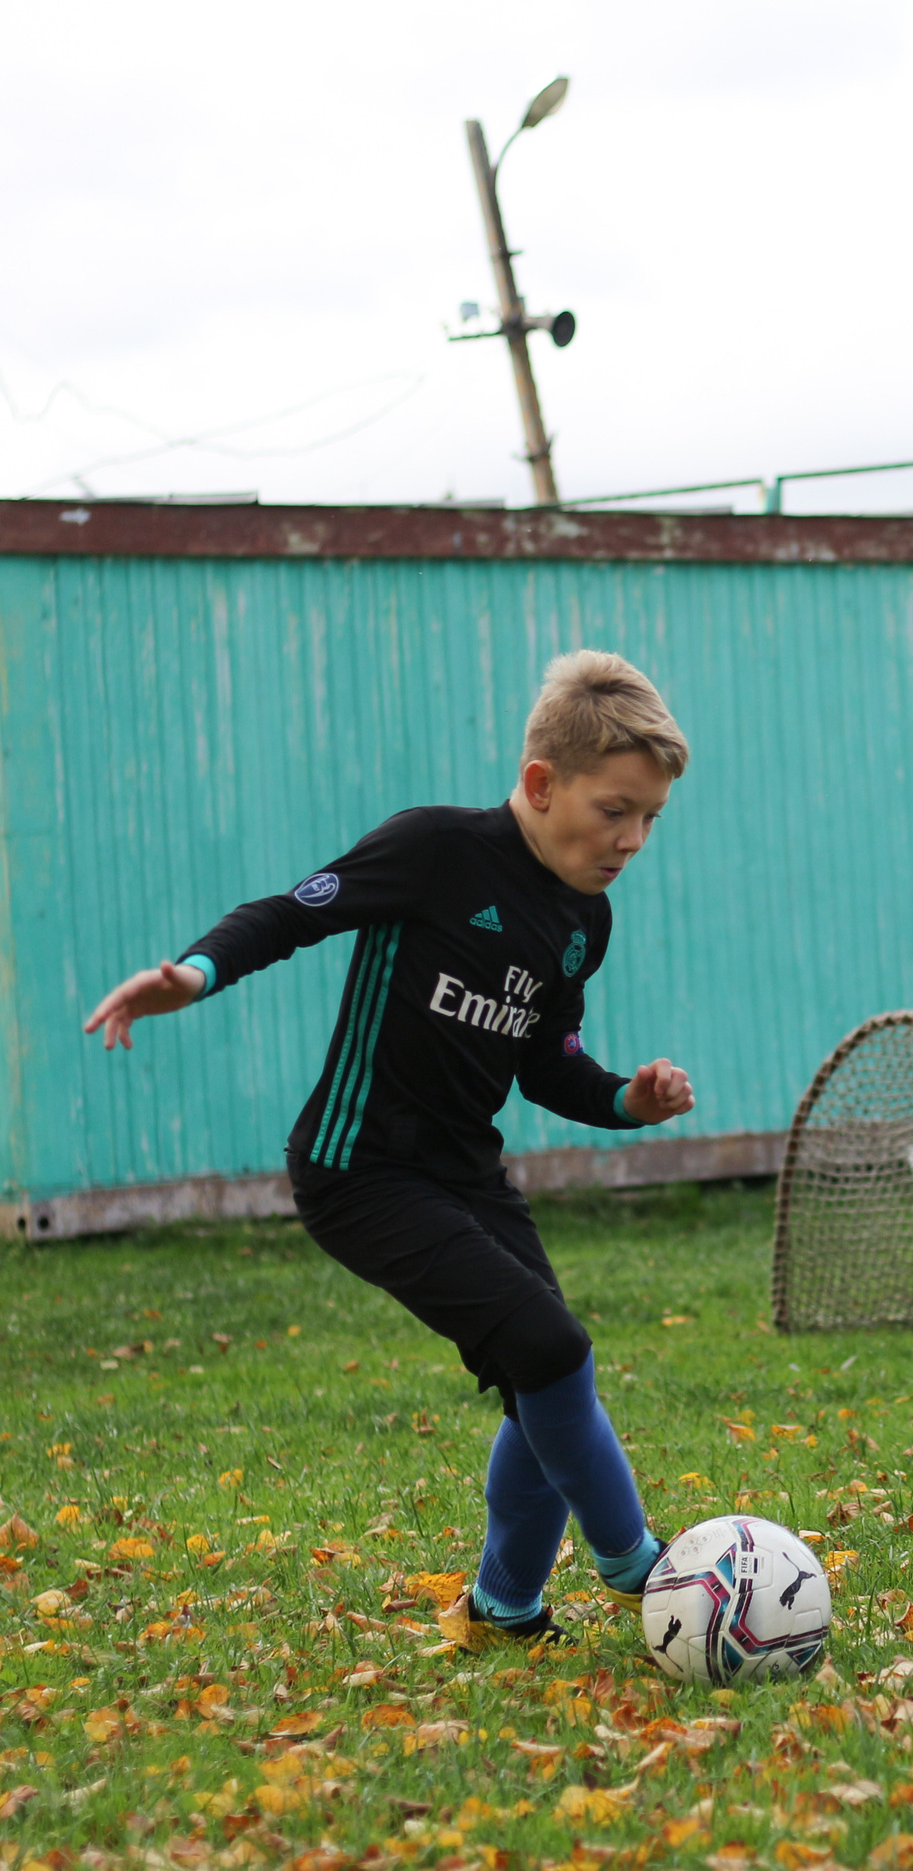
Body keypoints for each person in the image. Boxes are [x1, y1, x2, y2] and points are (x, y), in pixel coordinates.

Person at [83, 650, 697, 1647]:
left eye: (650, 819)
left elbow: (549, 1065)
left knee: (542, 1385)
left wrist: (627, 1098)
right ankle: (640, 1567)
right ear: (542, 785)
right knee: (552, 1351)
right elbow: (288, 913)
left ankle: (506, 1607)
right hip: (357, 1170)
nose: (630, 839)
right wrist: (194, 974)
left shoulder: (584, 919)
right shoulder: (436, 849)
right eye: (614, 809)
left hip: (468, 1175)